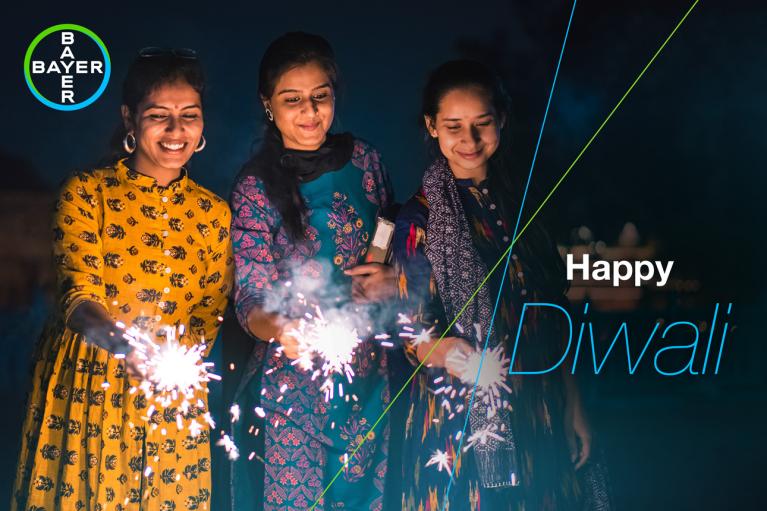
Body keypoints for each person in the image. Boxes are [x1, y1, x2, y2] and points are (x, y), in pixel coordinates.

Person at [12, 48, 233, 511]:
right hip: (90, 387)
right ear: (130, 119)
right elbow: (77, 297)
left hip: (172, 398)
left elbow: (209, 313)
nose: (176, 132)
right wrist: (127, 347)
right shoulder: (86, 193)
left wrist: (173, 364)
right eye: (159, 116)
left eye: (189, 116)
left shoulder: (213, 213)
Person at [394, 60, 605, 510]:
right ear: (432, 126)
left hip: (538, 401)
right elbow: (413, 328)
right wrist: (455, 355)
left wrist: (573, 402)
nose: (469, 140)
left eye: (481, 124)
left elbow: (551, 311)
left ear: (501, 121)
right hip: (463, 415)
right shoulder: (421, 218)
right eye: (453, 126)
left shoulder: (526, 203)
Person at [230, 32, 397, 511]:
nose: (310, 112)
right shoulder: (254, 186)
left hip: (368, 374)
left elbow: (392, 229)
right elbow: (250, 297)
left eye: (320, 97)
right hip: (293, 388)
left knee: (366, 497)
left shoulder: (366, 160)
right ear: (269, 105)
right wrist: (283, 329)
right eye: (293, 100)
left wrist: (389, 271)